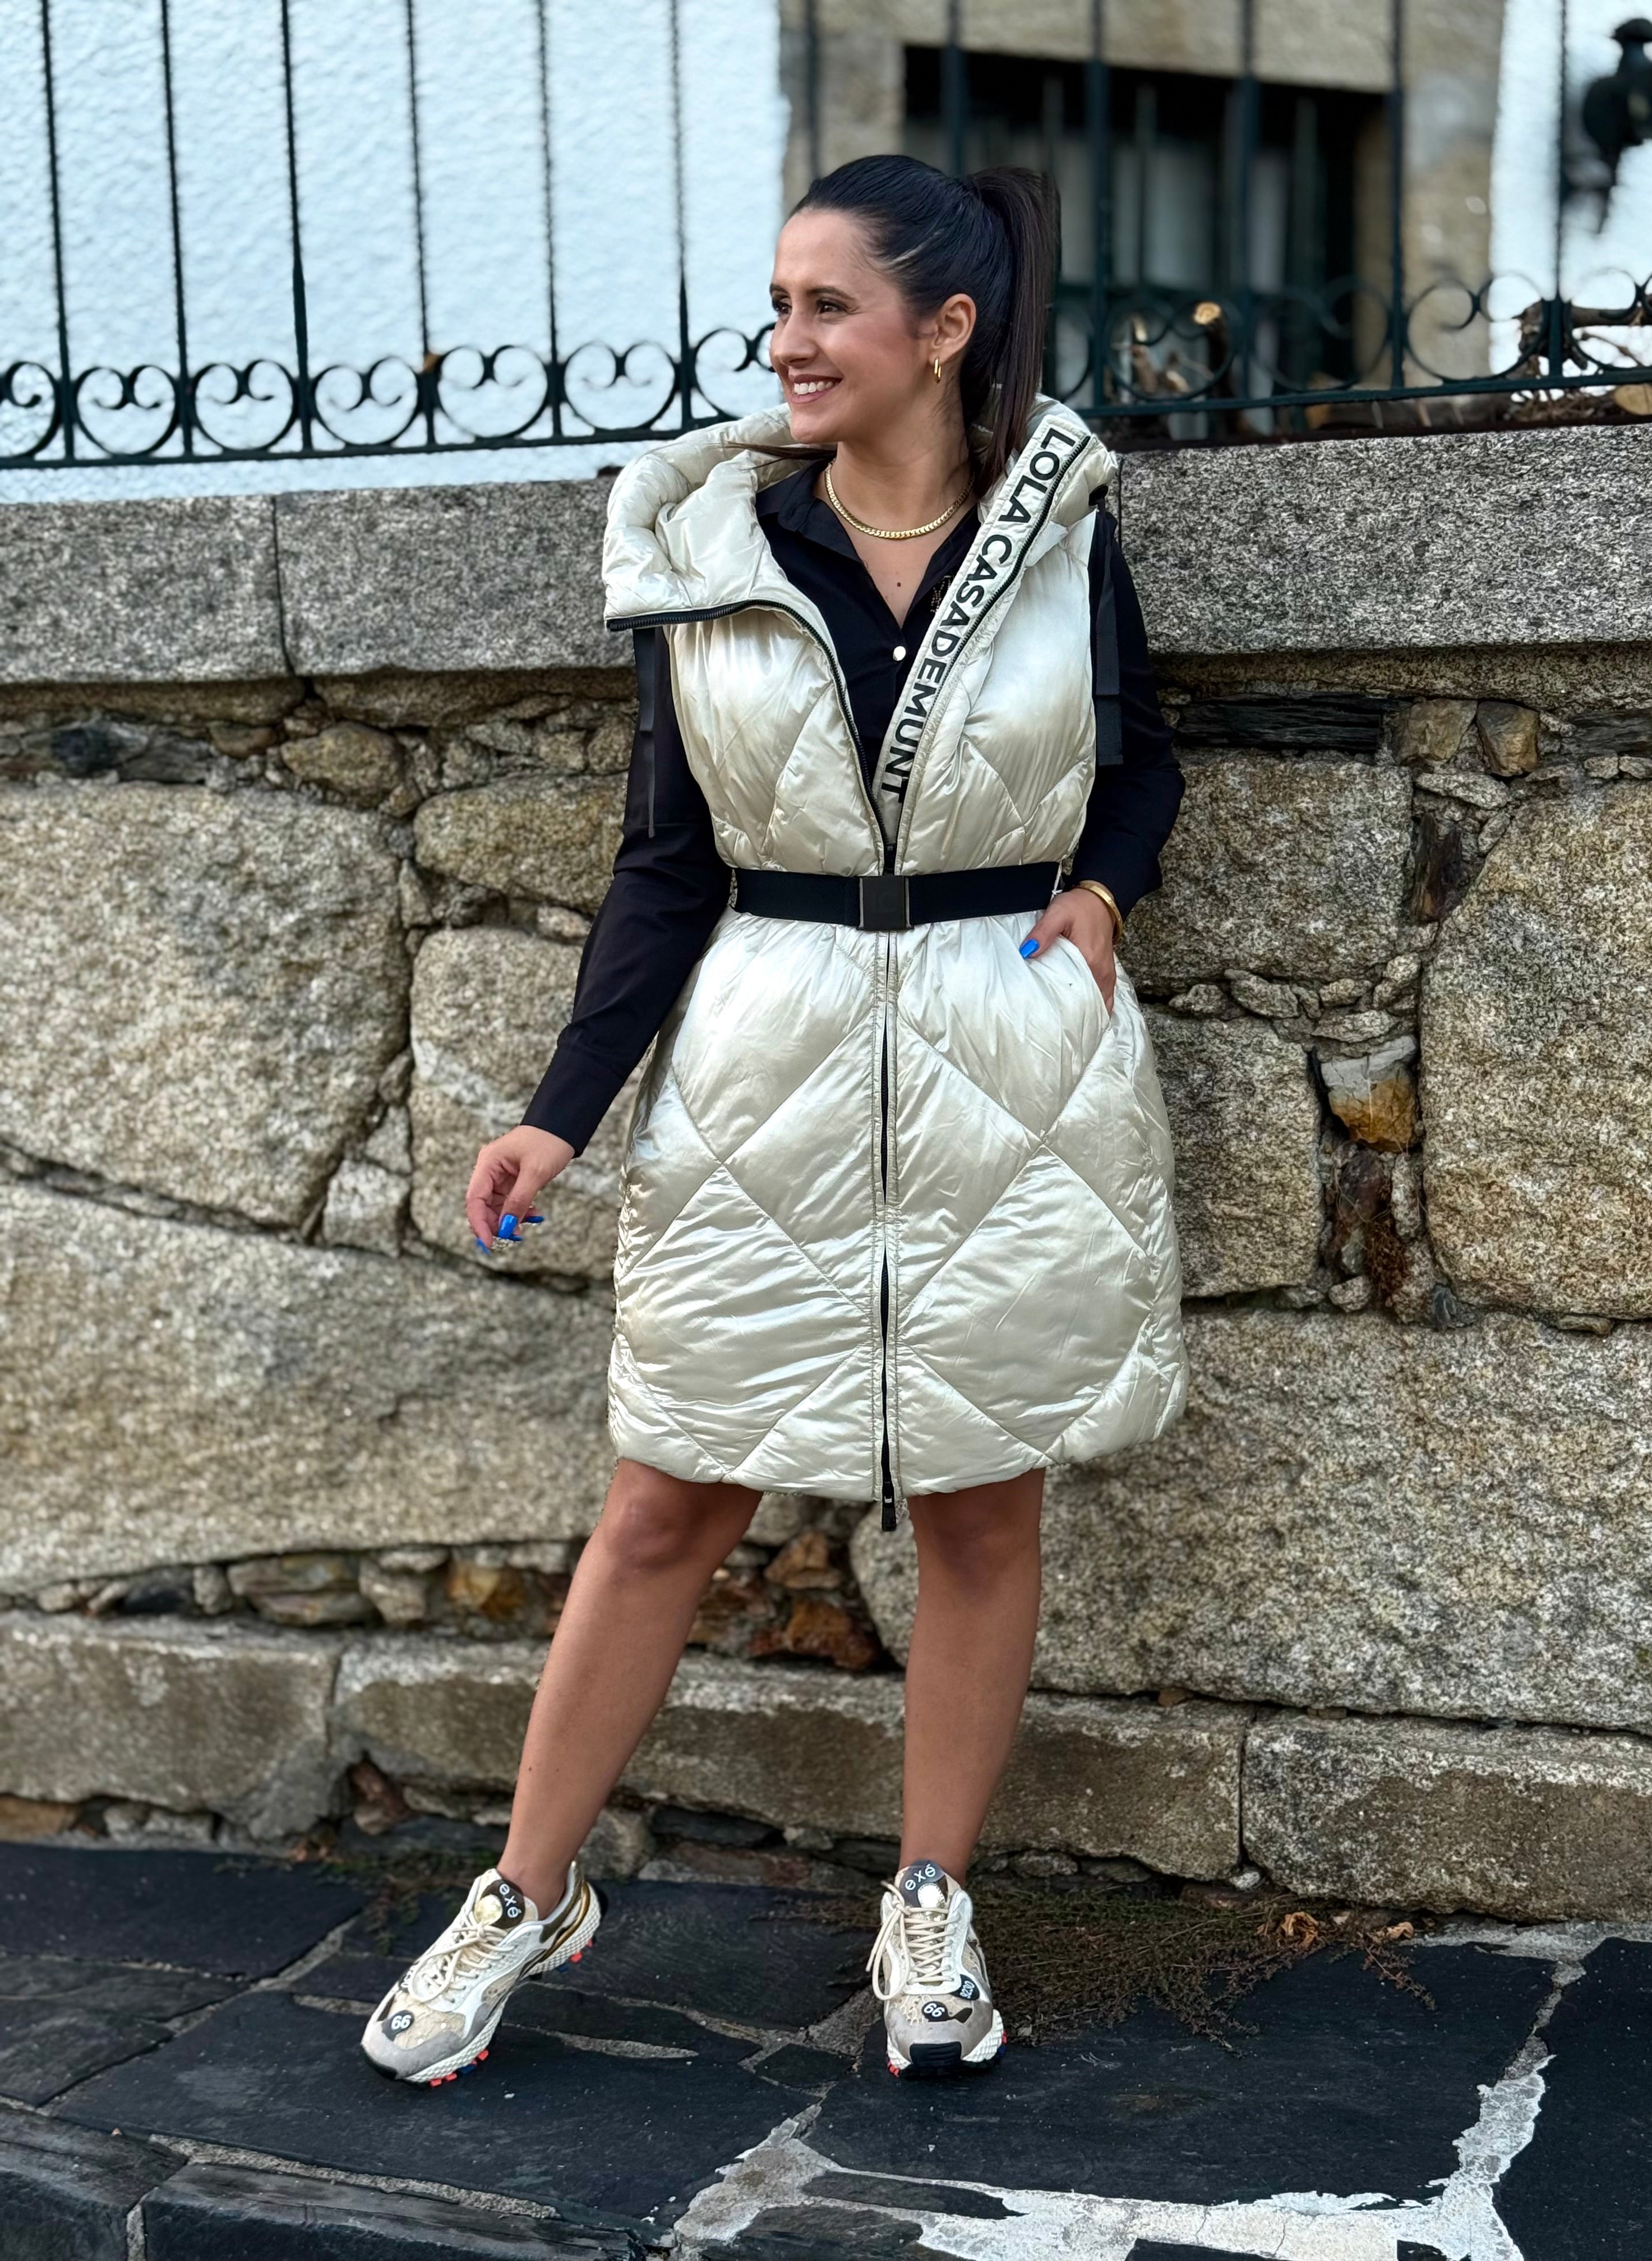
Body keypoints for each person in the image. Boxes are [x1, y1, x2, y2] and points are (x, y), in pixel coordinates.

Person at [360, 153, 1188, 2091]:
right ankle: (523, 1893)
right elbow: (666, 862)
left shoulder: (1061, 530)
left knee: (981, 1499)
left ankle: (930, 1898)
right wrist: (562, 1114)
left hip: (1009, 1063)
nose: (787, 343)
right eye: (780, 307)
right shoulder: (712, 549)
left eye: (828, 306)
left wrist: (1102, 893)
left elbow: (1144, 757)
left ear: (944, 329)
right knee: (666, 1495)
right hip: (764, 1071)